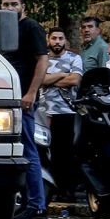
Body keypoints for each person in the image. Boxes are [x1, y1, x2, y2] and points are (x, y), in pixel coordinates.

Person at [0, 0, 49, 219]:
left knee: (28, 150)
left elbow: (42, 61)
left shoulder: (31, 27)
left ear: (23, 7)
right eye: (5, 5)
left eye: (13, 4)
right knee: (16, 150)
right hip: (8, 98)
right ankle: (27, 202)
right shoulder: (3, 29)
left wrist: (31, 93)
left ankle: (37, 205)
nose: (9, 9)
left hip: (24, 99)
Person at [38, 28, 82, 200]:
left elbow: (75, 80)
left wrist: (51, 79)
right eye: (54, 38)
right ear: (48, 40)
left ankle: (66, 191)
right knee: (46, 153)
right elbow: (41, 80)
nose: (57, 41)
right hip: (43, 112)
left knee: (64, 153)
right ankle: (49, 191)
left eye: (60, 38)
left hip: (66, 112)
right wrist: (63, 74)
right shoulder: (43, 59)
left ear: (65, 40)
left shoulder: (74, 58)